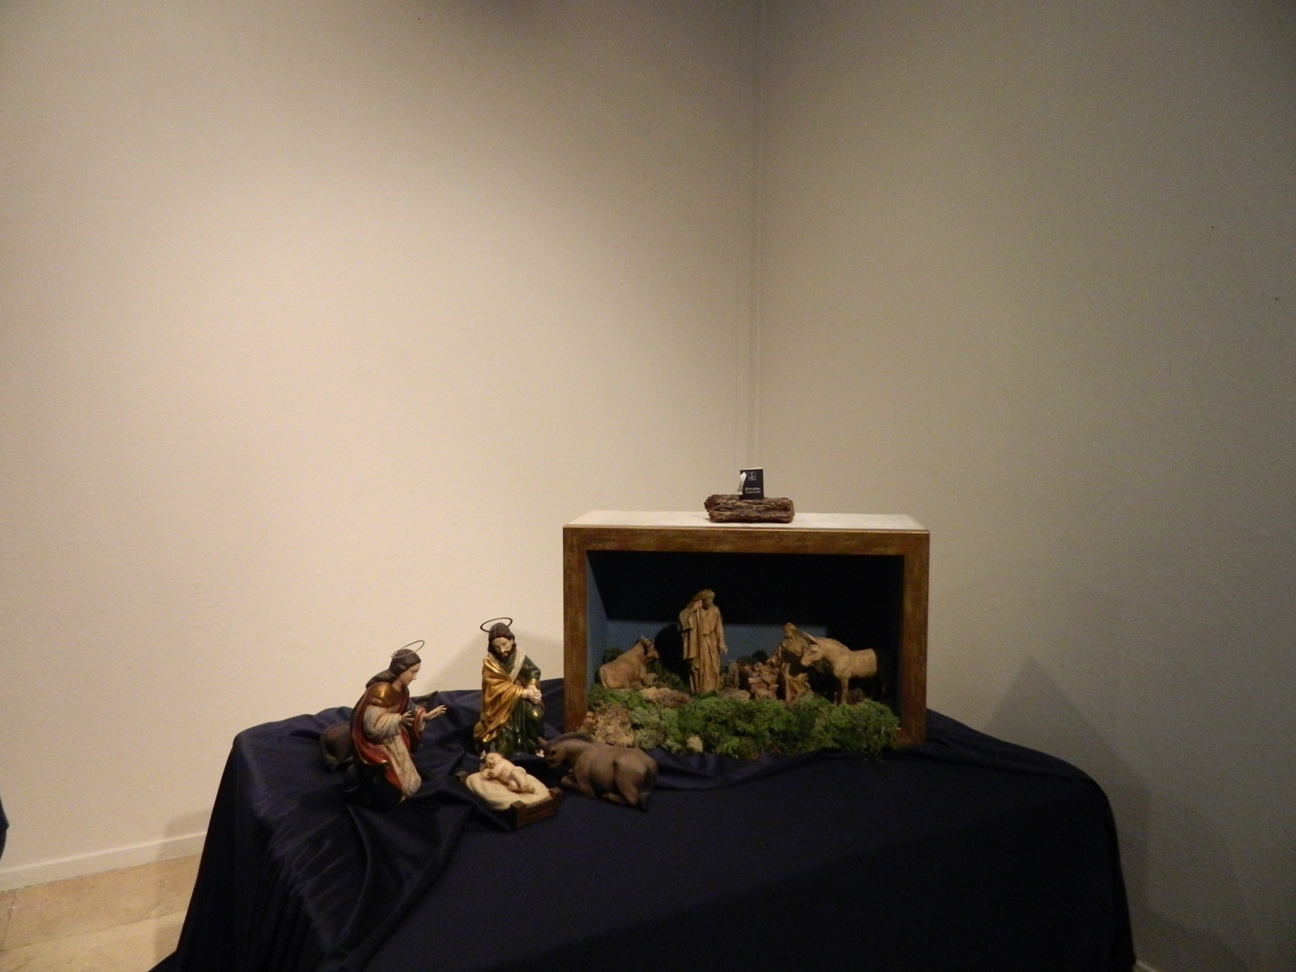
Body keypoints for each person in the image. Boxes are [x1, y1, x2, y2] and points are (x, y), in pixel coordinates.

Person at [350, 644, 446, 806]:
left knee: (408, 773)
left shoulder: (402, 690)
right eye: (413, 672)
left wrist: (424, 716)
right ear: (401, 669)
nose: (415, 677)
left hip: (393, 736)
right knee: (390, 775)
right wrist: (397, 720)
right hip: (377, 742)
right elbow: (371, 726)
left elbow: (408, 707)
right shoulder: (381, 691)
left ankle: (403, 790)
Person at [473, 619, 544, 757]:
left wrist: (531, 686)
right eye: (497, 647)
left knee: (535, 715)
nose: (502, 650)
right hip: (499, 706)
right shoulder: (490, 664)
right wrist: (524, 693)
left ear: (511, 640)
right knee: (503, 742)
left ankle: (535, 746)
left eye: (504, 644)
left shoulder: (519, 656)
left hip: (521, 702)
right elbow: (495, 688)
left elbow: (533, 671)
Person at [679, 589, 728, 694]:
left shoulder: (715, 610)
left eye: (712, 599)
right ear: (702, 600)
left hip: (711, 641)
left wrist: (721, 642)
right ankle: (699, 690)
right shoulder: (696, 611)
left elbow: (719, 627)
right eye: (708, 599)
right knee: (698, 666)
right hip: (698, 641)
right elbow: (683, 619)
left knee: (713, 665)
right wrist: (693, 608)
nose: (710, 602)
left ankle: (712, 690)